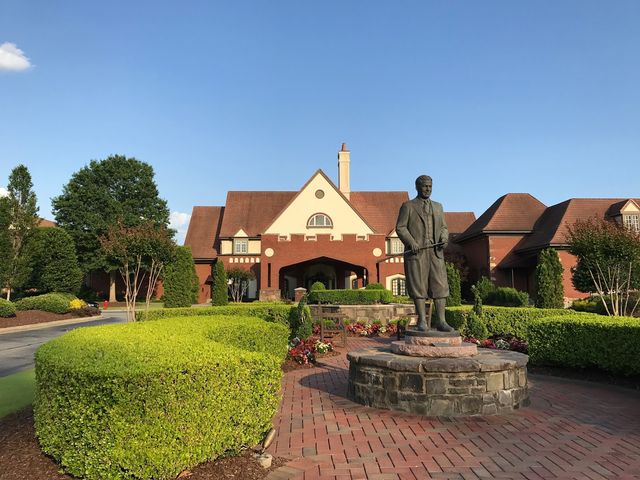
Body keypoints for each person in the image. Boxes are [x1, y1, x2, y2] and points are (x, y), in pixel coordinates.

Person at [395, 175, 454, 332]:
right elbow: (400, 227)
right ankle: (422, 321)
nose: (428, 189)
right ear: (417, 187)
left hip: (435, 252)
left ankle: (441, 321)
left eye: (430, 186)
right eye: (425, 186)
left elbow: (444, 228)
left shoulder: (438, 207)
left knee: (440, 286)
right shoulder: (408, 206)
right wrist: (411, 242)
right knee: (418, 286)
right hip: (417, 253)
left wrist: (444, 238)